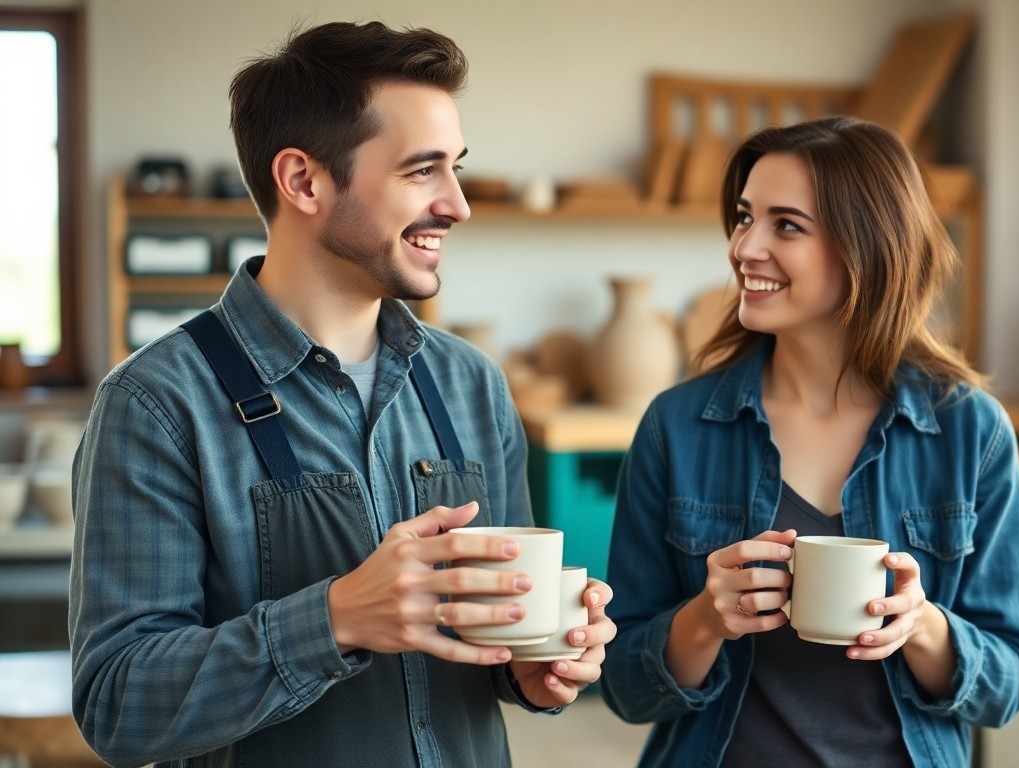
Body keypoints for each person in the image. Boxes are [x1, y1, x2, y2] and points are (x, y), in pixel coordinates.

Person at [69, 20, 615, 767]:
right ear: (303, 181)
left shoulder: (470, 385)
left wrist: (539, 665)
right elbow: (118, 706)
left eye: (455, 168)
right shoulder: (156, 404)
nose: (456, 204)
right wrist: (332, 620)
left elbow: (503, 643)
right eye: (423, 171)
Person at [599, 116, 1019, 767]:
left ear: (867, 247)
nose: (745, 247)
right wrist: (705, 620)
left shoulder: (971, 432)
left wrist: (920, 625)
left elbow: (1006, 686)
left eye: (787, 225)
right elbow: (626, 689)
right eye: (745, 217)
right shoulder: (677, 427)